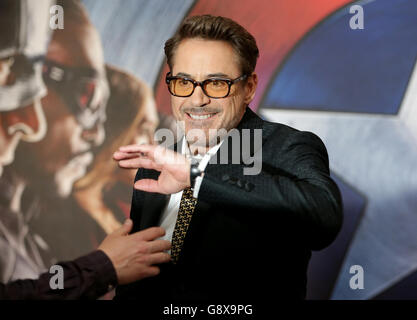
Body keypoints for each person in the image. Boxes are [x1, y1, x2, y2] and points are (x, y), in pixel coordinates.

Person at [113, 15, 343, 302]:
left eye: (217, 84)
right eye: (184, 82)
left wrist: (197, 176)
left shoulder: (286, 146)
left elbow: (324, 219)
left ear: (248, 88)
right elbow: (138, 274)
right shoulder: (158, 162)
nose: (197, 100)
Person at [0, 0, 171, 300]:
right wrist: (103, 270)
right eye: (87, 96)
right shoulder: (59, 222)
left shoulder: (25, 225)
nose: (96, 134)